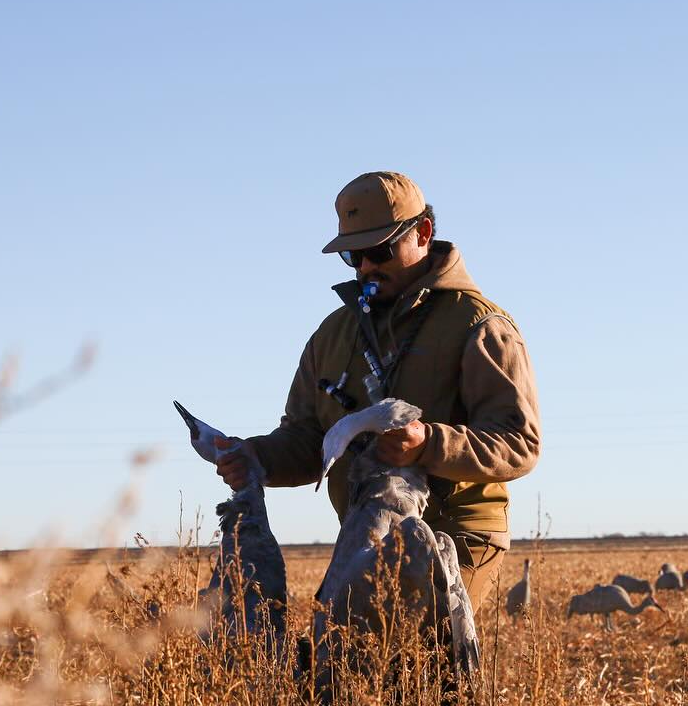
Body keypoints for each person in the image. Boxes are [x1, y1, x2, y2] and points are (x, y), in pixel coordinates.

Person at [214, 171, 540, 614]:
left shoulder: (479, 325)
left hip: (456, 531)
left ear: (423, 232)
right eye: (353, 254)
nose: (366, 266)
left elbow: (519, 444)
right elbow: (308, 441)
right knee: (340, 660)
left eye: (380, 250)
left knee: (413, 656)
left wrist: (428, 443)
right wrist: (255, 458)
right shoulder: (332, 335)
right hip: (367, 529)